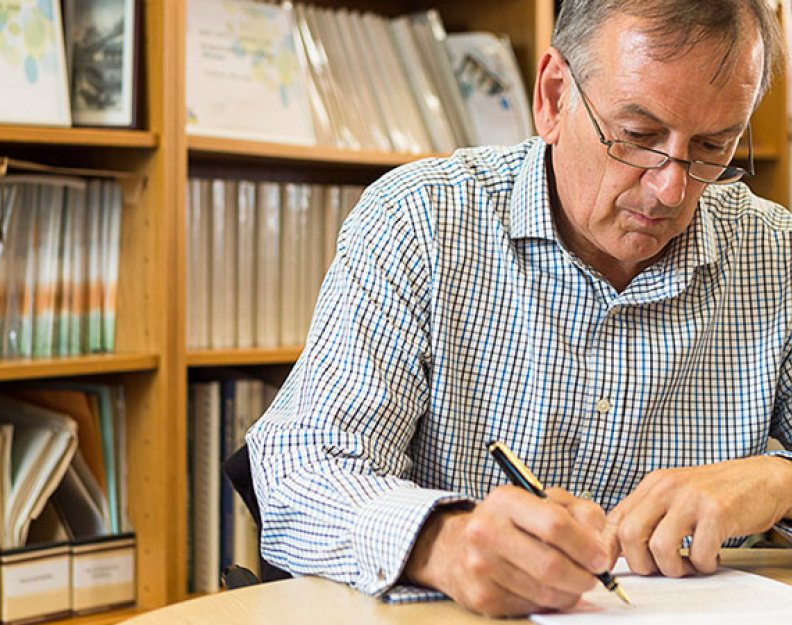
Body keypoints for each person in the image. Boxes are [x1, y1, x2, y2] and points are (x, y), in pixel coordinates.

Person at [247, 0, 792, 617]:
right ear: (554, 97)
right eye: (638, 138)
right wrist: (441, 542)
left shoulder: (775, 255)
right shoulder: (421, 222)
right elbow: (300, 469)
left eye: (712, 147)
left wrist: (779, 483)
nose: (671, 188)